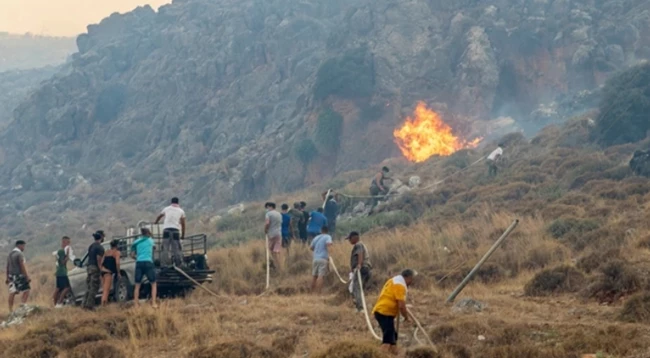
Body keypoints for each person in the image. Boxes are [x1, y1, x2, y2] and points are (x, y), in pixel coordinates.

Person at [372, 269, 417, 355]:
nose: (412, 281)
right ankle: (379, 355)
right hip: (384, 312)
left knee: (393, 338)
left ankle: (396, 354)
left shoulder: (393, 280)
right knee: (387, 341)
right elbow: (401, 306)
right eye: (412, 279)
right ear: (409, 278)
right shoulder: (400, 285)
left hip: (384, 311)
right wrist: (406, 318)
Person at [155, 197, 186, 267]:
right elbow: (183, 224)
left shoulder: (166, 209)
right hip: (175, 231)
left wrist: (156, 222)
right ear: (178, 202)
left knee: (165, 248)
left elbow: (159, 216)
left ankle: (164, 264)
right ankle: (179, 264)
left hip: (166, 230)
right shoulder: (181, 211)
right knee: (176, 248)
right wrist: (183, 235)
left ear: (171, 202)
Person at [132, 228, 158, 308]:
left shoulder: (136, 242)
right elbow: (154, 248)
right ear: (148, 233)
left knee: (137, 285)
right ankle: (153, 303)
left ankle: (136, 304)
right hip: (148, 262)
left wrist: (138, 258)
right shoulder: (150, 240)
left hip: (139, 262)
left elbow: (132, 255)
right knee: (153, 283)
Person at [347, 231, 372, 312]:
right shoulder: (360, 245)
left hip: (362, 268)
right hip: (366, 268)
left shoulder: (358, 245)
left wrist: (359, 265)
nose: (349, 241)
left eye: (350, 239)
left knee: (356, 287)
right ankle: (361, 305)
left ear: (354, 238)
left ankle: (360, 308)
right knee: (360, 288)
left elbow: (360, 254)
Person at [83, 231, 105, 310]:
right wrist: (101, 269)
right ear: (101, 238)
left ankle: (84, 304)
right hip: (95, 268)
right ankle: (89, 305)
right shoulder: (100, 248)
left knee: (89, 287)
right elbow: (99, 259)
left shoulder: (91, 246)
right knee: (94, 287)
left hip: (89, 267)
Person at [6, 240, 30, 311]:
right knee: (26, 290)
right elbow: (21, 265)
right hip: (19, 275)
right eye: (23, 246)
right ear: (20, 245)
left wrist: (7, 277)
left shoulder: (10, 254)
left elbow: (7, 266)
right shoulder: (19, 254)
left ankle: (10, 309)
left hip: (11, 276)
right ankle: (22, 306)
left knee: (12, 292)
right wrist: (26, 276)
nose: (24, 248)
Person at [52, 236, 74, 308]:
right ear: (64, 242)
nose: (69, 244)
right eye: (68, 242)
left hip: (59, 272)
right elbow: (62, 262)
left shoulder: (60, 251)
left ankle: (55, 303)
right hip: (62, 272)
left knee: (58, 288)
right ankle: (60, 302)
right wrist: (67, 255)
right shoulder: (61, 251)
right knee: (67, 287)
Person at [310, 226, 333, 294]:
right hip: (323, 259)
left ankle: (311, 292)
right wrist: (330, 254)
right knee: (321, 276)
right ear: (327, 231)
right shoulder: (328, 237)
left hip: (315, 259)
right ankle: (318, 293)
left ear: (321, 230)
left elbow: (311, 247)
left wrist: (317, 251)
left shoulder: (316, 237)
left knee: (314, 276)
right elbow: (328, 244)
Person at [100, 240, 121, 306]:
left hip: (102, 271)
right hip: (108, 273)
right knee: (106, 290)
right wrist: (118, 272)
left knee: (104, 289)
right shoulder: (116, 253)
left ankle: (103, 303)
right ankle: (103, 305)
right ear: (117, 245)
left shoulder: (106, 252)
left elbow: (101, 262)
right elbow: (117, 263)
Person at [264, 202, 283, 271]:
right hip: (278, 234)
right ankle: (280, 265)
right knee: (277, 250)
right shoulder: (279, 214)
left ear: (270, 206)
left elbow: (267, 223)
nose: (267, 209)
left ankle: (274, 265)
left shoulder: (268, 214)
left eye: (267, 207)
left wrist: (265, 230)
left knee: (270, 250)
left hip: (271, 234)